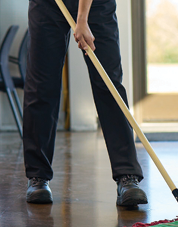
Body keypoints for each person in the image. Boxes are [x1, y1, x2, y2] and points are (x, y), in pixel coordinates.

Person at [23, 0, 147, 206]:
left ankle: (127, 177)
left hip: (96, 4)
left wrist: (82, 19)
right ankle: (37, 177)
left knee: (109, 84)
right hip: (47, 5)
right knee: (41, 86)